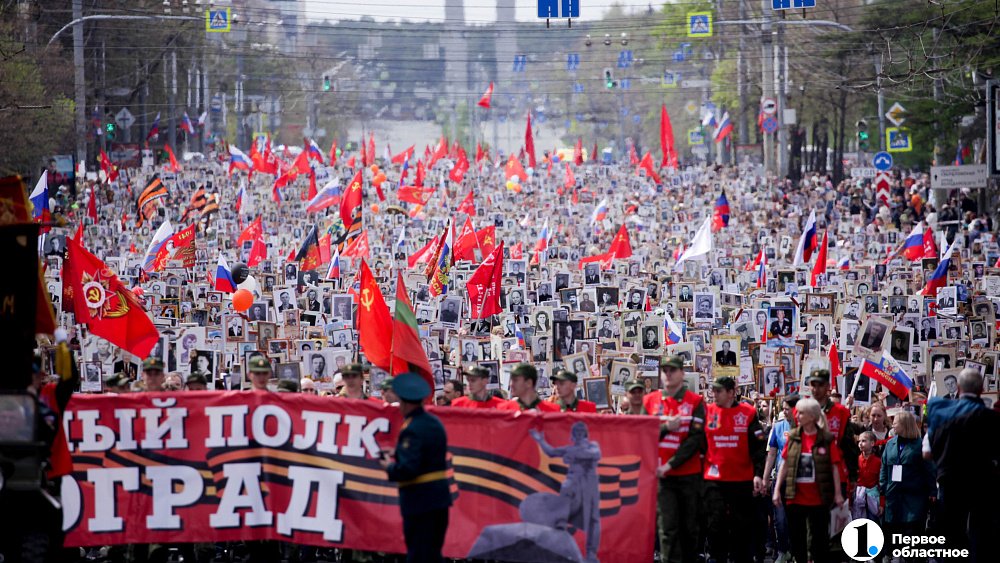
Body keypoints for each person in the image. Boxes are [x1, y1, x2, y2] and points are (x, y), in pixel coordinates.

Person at [928, 369, 1000, 562]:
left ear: (958, 388)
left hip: (950, 481)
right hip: (981, 483)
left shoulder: (941, 414)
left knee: (951, 533)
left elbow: (929, 451)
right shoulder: (991, 418)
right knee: (981, 535)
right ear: (982, 390)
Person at [380, 372, 451, 563]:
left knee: (419, 554)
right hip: (439, 499)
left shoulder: (411, 428)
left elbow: (408, 470)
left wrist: (389, 466)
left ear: (405, 402)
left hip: (420, 501)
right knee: (433, 554)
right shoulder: (434, 423)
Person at [642, 355, 705, 563]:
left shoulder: (695, 402)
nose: (668, 374)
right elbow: (642, 435)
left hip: (688, 475)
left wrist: (671, 464)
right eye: (665, 371)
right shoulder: (649, 401)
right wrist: (665, 427)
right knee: (667, 529)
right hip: (662, 478)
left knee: (689, 529)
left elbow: (695, 440)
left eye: (673, 370)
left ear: (682, 374)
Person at [772, 398, 843, 563]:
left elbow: (834, 466)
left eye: (801, 412)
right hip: (795, 497)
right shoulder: (794, 437)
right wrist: (776, 490)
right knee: (798, 541)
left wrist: (838, 494)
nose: (798, 415)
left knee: (819, 542)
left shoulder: (825, 438)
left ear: (812, 416)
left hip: (819, 498)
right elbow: (785, 463)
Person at [702, 376, 765, 563]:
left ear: (731, 393)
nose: (714, 394)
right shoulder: (706, 412)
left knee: (742, 527)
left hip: (741, 480)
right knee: (715, 524)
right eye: (713, 390)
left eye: (719, 391)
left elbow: (759, 447)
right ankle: (715, 557)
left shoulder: (748, 413)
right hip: (714, 480)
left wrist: (758, 474)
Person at [530, 422, 602, 562]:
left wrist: (572, 453)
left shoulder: (592, 446)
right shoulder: (571, 448)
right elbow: (551, 452)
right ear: (573, 435)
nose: (579, 435)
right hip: (572, 483)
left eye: (582, 432)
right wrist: (540, 440)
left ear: (585, 434)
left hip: (589, 484)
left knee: (593, 518)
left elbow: (594, 454)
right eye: (576, 432)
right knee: (562, 511)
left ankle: (591, 553)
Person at [879, 411, 935, 542]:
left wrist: (932, 491)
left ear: (905, 424)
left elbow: (930, 470)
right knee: (894, 533)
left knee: (912, 532)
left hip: (914, 497)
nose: (892, 424)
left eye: (896, 422)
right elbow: (884, 467)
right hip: (893, 495)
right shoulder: (890, 444)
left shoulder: (920, 445)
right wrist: (883, 486)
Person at [763, 394, 799, 563]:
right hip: (781, 479)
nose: (784, 412)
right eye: (783, 409)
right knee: (781, 520)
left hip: (800, 480)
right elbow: (771, 454)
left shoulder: (807, 427)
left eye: (787, 409)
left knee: (797, 519)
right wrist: (765, 478)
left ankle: (797, 551)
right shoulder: (777, 427)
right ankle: (783, 550)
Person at [853, 431, 882, 522]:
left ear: (872, 443)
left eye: (864, 441)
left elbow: (881, 483)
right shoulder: (856, 460)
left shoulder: (878, 462)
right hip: (858, 497)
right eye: (859, 441)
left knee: (873, 522)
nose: (860, 443)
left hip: (873, 498)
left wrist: (882, 503)